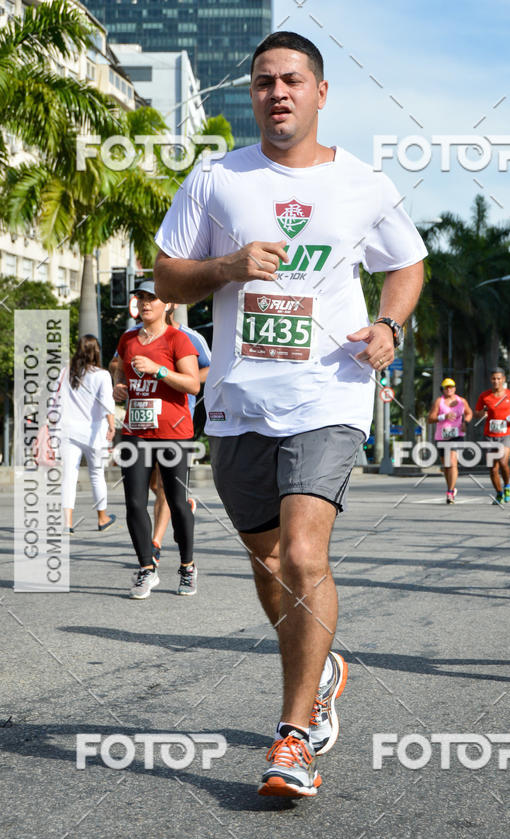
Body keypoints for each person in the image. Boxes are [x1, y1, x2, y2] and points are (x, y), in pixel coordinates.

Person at [153, 31, 427, 798]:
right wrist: (229, 267)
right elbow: (168, 275)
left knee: (307, 555)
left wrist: (389, 326)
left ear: (321, 93)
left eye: (293, 80)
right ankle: (323, 667)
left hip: (329, 393)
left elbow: (406, 263)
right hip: (239, 403)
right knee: (272, 568)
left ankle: (294, 736)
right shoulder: (217, 180)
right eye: (265, 82)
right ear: (253, 95)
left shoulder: (364, 185)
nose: (279, 93)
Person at [113, 285, 200, 599]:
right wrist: (119, 388)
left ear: (169, 303)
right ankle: (146, 569)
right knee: (134, 503)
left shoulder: (179, 339)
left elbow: (192, 384)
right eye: (141, 297)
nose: (145, 303)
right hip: (136, 430)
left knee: (177, 503)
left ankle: (187, 566)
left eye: (152, 298)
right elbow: (120, 372)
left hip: (173, 432)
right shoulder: (128, 340)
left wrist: (160, 370)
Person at [150, 300, 211, 565]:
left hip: (176, 422)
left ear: (171, 305)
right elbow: (118, 362)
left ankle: (155, 544)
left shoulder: (191, 337)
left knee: (164, 486)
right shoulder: (137, 334)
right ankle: (181, 505)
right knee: (153, 484)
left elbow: (210, 367)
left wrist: (179, 377)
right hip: (145, 422)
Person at [60, 334, 116, 533]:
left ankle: (67, 522)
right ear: (97, 352)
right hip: (95, 432)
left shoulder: (65, 373)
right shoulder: (102, 375)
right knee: (96, 474)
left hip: (68, 431)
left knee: (69, 476)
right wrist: (112, 425)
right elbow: (107, 403)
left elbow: (55, 400)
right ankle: (102, 518)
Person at [475, 369, 510, 504]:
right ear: (491, 380)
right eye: (494, 379)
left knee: (502, 462)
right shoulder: (485, 396)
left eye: (499, 378)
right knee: (492, 468)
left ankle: (507, 487)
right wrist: (482, 412)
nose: (496, 381)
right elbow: (476, 413)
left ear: (503, 379)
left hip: (506, 434)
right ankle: (499, 493)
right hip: (490, 435)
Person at [428, 377, 473, 503]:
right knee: (446, 465)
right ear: (443, 389)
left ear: (455, 388)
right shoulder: (439, 402)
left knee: (453, 462)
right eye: (446, 387)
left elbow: (469, 413)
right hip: (442, 436)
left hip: (457, 434)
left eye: (451, 387)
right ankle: (450, 488)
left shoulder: (461, 401)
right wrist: (444, 416)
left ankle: (450, 492)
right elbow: (430, 418)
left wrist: (465, 422)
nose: (449, 389)